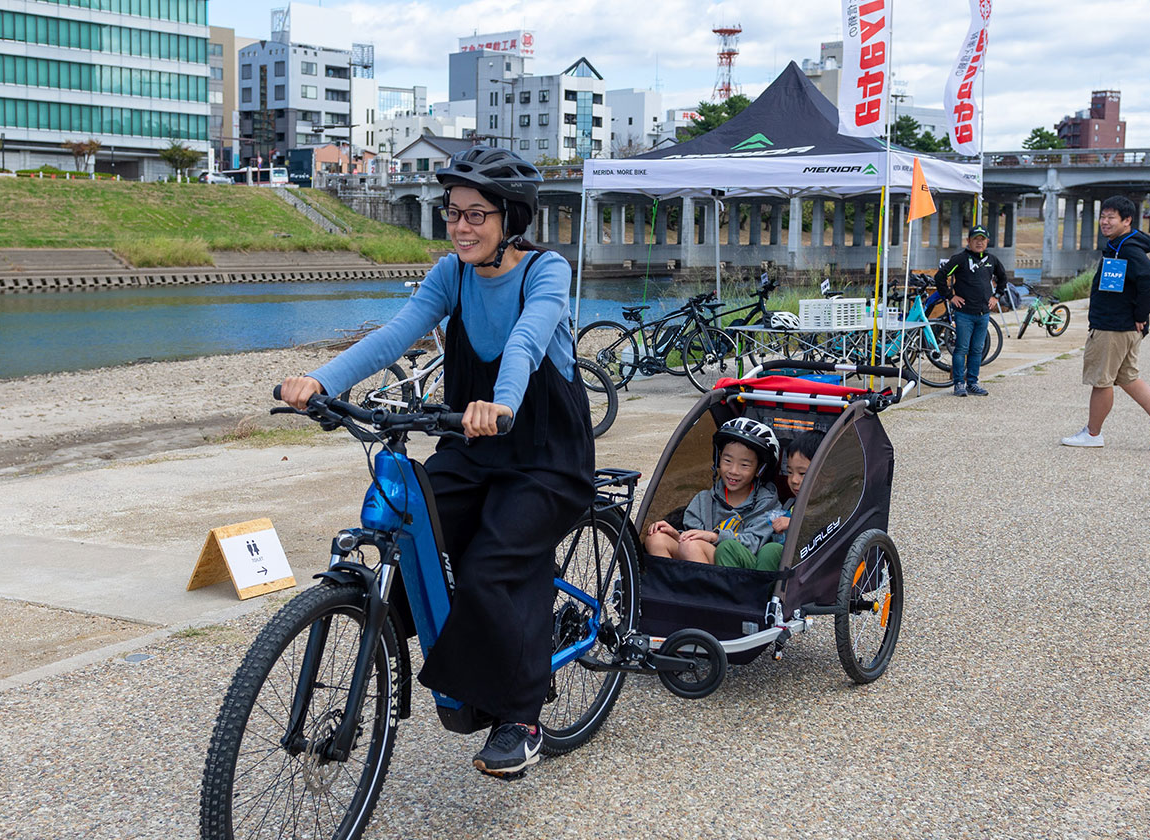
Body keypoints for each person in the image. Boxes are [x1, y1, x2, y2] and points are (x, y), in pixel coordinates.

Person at [278, 146, 594, 781]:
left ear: (512, 218)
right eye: (454, 214)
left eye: (477, 214)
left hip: (546, 457)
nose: (462, 227)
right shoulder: (450, 274)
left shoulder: (546, 271)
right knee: (405, 520)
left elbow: (529, 341)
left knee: (492, 563)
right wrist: (320, 379)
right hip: (472, 446)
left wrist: (500, 404)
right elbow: (397, 333)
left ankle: (520, 718)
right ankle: (395, 634)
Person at [1061, 195, 1150, 451]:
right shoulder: (1118, 245)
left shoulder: (1127, 248)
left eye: (1111, 217)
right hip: (1120, 324)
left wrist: (1141, 315)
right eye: (1102, 216)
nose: (1104, 222)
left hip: (1113, 326)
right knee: (1128, 378)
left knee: (1101, 380)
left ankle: (1092, 434)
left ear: (1127, 220)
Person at [643, 418, 780, 569]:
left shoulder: (766, 504)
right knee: (656, 539)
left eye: (744, 465)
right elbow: (691, 536)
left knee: (691, 546)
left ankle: (702, 592)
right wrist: (676, 534)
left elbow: (755, 543)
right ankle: (669, 590)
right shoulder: (704, 499)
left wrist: (715, 536)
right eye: (727, 460)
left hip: (739, 567)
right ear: (718, 459)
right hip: (698, 553)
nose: (733, 471)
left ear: (760, 469)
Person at [934, 224, 1007, 397]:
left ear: (987, 241)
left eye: (982, 239)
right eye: (975, 239)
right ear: (969, 241)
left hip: (983, 313)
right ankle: (959, 383)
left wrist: (996, 296)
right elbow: (940, 276)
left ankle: (972, 382)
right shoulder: (959, 259)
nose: (979, 243)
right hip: (964, 313)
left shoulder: (992, 260)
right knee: (961, 349)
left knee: (977, 349)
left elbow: (1003, 278)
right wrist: (950, 296)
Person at [752, 431, 825, 570]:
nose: (794, 480)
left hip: (812, 565)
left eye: (802, 473)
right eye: (789, 472)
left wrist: (794, 523)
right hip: (789, 562)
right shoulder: (793, 503)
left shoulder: (829, 501)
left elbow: (827, 525)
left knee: (770, 551)